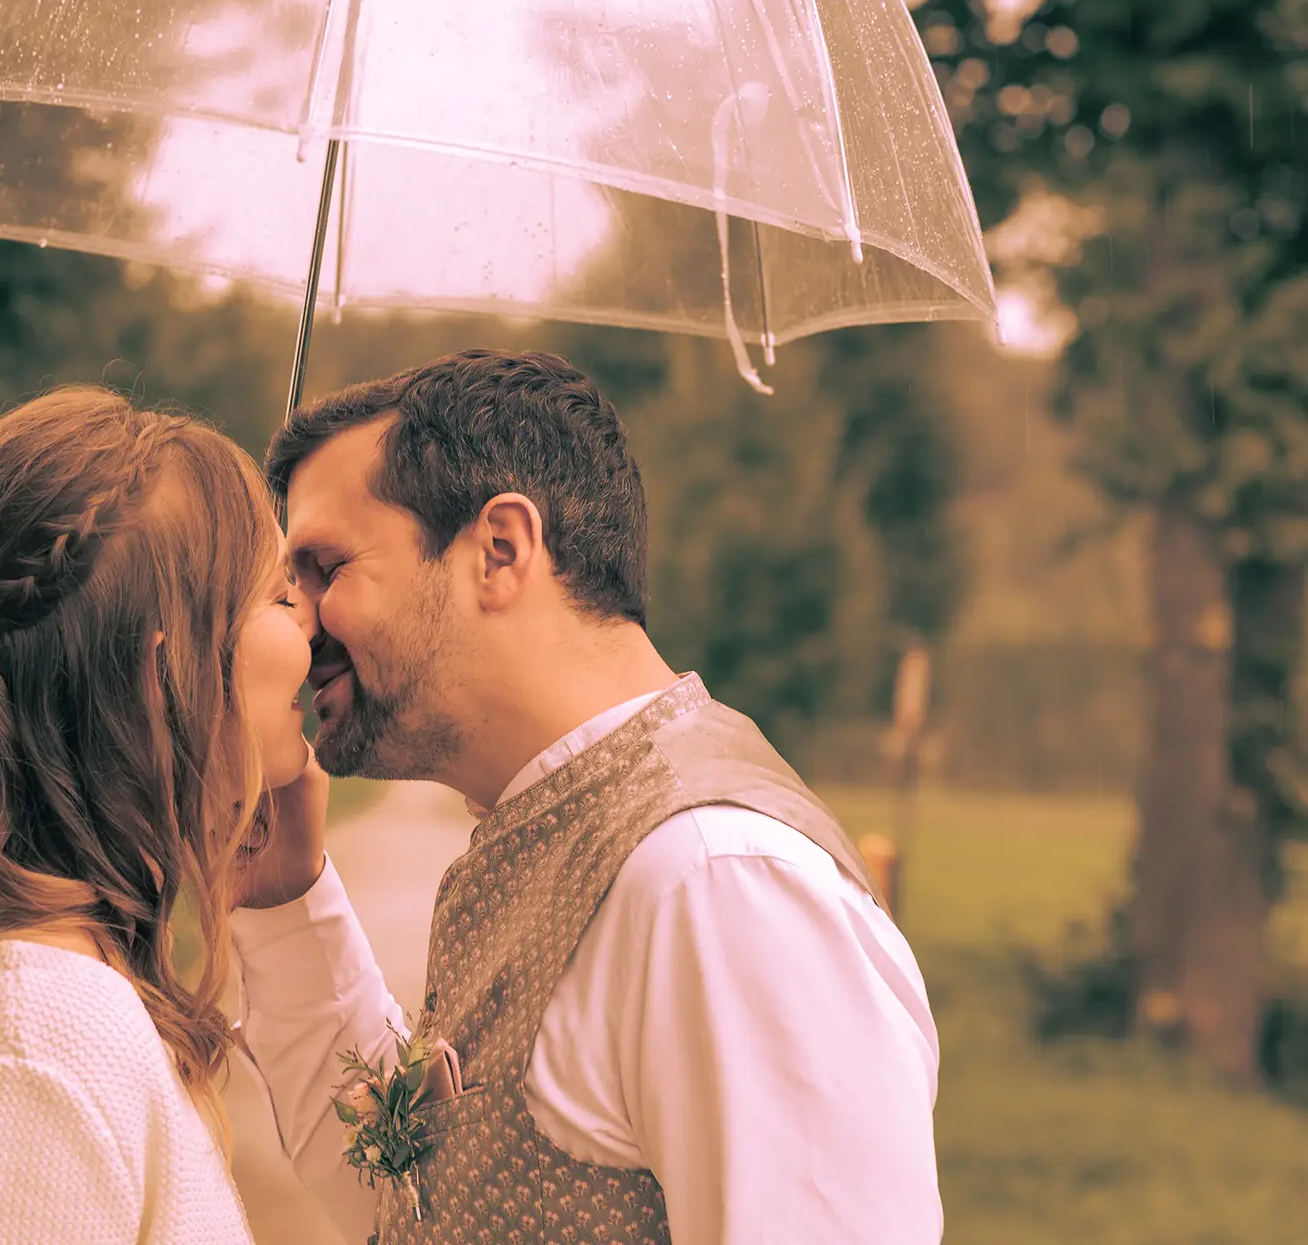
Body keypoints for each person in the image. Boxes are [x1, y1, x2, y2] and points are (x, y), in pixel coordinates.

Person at [230, 350, 943, 1244]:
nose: (295, 621)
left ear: (500, 550)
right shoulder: (554, 834)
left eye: (324, 568)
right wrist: (286, 905)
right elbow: (423, 1210)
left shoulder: (718, 885)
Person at [0, 386, 316, 1244]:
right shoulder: (30, 1048)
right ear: (165, 678)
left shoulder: (48, 1000)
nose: (311, 627)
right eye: (273, 594)